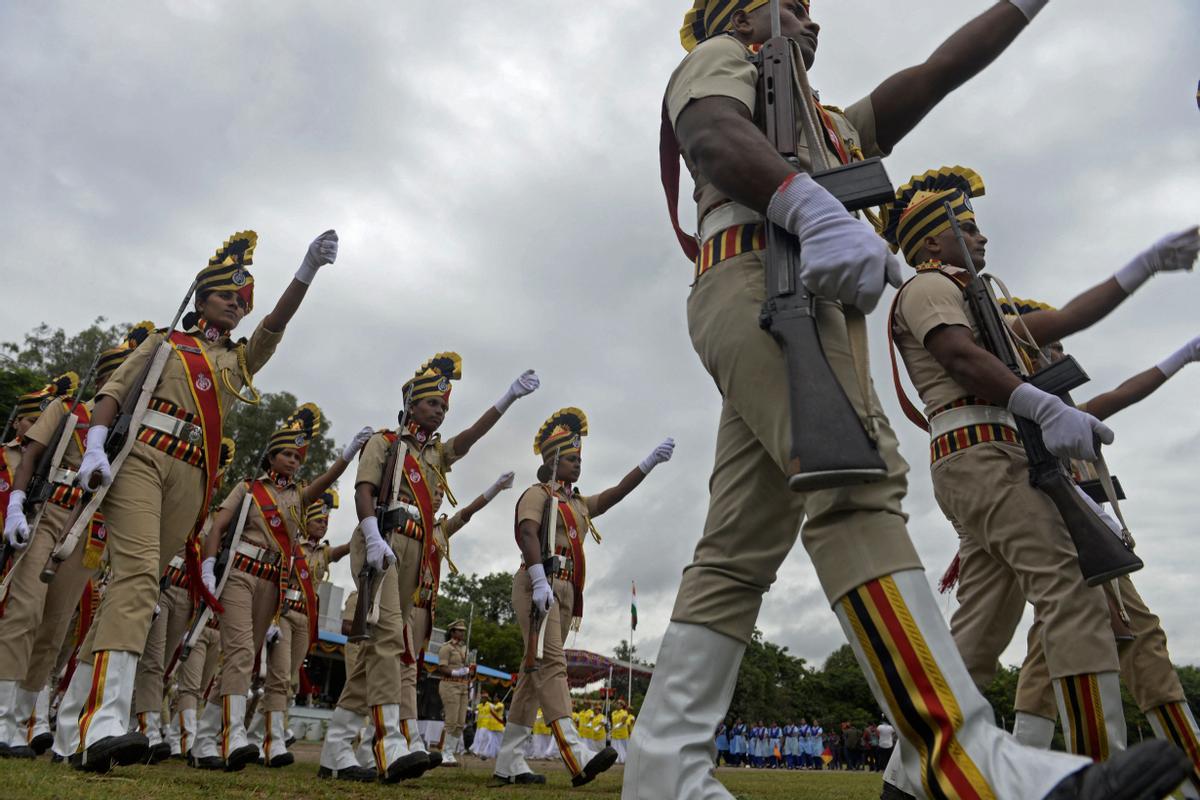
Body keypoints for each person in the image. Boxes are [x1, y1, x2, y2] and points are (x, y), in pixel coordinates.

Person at [627, 0, 1193, 794]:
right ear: (739, 14)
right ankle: (968, 759)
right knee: (855, 485)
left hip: (808, 299)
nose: (806, 18)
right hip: (761, 276)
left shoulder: (824, 124)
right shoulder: (727, 58)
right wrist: (807, 203)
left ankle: (662, 769)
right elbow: (711, 135)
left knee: (738, 548)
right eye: (785, 5)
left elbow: (937, 72)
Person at [886, 165, 1200, 763]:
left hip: (988, 457)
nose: (981, 239)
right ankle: (1093, 770)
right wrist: (1040, 405)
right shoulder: (929, 289)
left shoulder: (974, 304)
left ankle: (910, 774)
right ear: (931, 241)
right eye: (967, 229)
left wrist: (1145, 266)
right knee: (1073, 589)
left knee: (978, 637)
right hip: (982, 453)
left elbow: (1067, 319)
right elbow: (957, 357)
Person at [63, 229, 338, 772]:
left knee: (134, 593)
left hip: (192, 478)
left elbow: (274, 328)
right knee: (141, 578)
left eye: (242, 302)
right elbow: (114, 391)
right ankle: (104, 722)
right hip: (142, 460)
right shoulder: (166, 343)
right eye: (226, 297)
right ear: (201, 298)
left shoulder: (237, 362)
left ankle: (73, 719)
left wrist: (306, 272)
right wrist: (95, 443)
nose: (236, 307)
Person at [319, 353, 539, 784]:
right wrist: (372, 534)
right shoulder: (385, 442)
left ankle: (336, 749)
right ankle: (390, 743)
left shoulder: (435, 454)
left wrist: (508, 398)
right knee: (387, 638)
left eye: (444, 408)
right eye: (432, 405)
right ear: (411, 404)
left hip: (415, 552)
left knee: (372, 655)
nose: (439, 412)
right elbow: (365, 490)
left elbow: (471, 438)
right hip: (382, 539)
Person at [493, 407, 674, 787]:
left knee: (532, 675)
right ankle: (575, 754)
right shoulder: (537, 493)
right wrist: (540, 579)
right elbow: (527, 533)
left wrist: (647, 464)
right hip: (536, 583)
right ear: (554, 458)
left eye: (580, 459)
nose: (578, 465)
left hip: (562, 589)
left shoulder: (576, 503)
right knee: (553, 663)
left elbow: (613, 496)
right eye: (573, 458)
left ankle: (507, 763)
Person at [190, 405, 368, 771]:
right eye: (287, 454)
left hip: (272, 582)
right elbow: (219, 526)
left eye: (299, 457)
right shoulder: (249, 488)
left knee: (241, 658)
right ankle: (234, 734)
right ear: (272, 454)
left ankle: (204, 740)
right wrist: (208, 566)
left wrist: (348, 454)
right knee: (240, 652)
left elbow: (326, 479)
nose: (294, 461)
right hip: (239, 573)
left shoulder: (297, 497)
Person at [394, 471, 515, 767]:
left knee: (409, 669)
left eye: (440, 494)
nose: (436, 497)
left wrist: (493, 489)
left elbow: (466, 514)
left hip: (424, 607)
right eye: (431, 492)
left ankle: (403, 738)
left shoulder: (439, 530)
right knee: (397, 668)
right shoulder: (400, 517)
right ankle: (399, 738)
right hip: (400, 603)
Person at [0, 371, 79, 757]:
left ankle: (22, 719)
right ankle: (1, 717)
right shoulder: (68, 412)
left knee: (55, 626)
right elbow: (30, 457)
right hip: (46, 513)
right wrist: (16, 505)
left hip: (86, 528)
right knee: (25, 610)